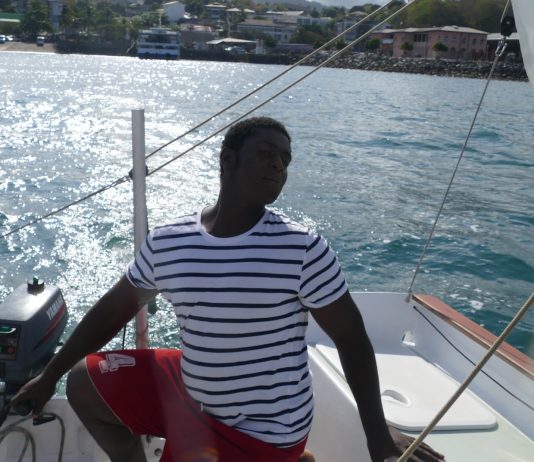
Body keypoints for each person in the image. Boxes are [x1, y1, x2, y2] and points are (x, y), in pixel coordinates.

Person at [11, 117, 444, 462]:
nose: (278, 166)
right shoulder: (169, 241)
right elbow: (113, 311)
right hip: (193, 392)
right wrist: (49, 377)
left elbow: (351, 338)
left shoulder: (301, 249)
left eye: (285, 160)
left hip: (264, 430)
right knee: (84, 382)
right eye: (266, 154)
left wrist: (377, 436)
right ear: (228, 159)